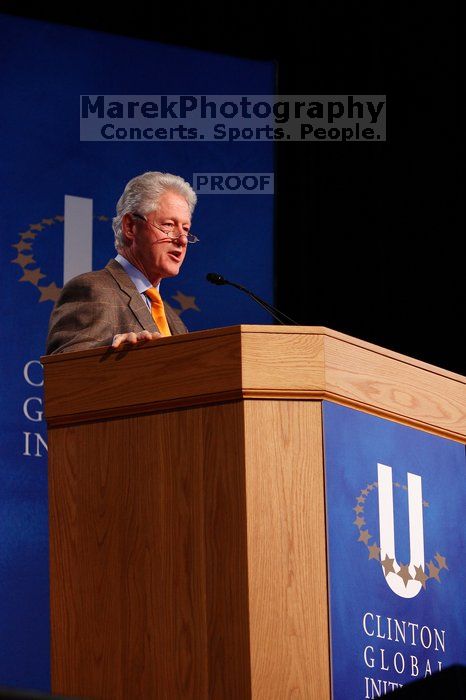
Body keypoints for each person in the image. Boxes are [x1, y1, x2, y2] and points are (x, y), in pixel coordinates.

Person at [46, 171, 198, 354]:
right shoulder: (93, 290)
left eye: (186, 229)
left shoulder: (175, 321)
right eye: (168, 225)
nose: (181, 240)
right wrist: (114, 359)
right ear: (130, 227)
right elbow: (63, 375)